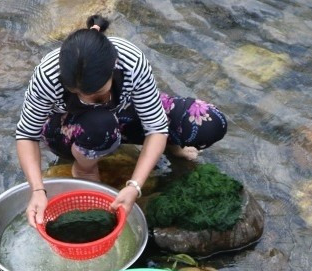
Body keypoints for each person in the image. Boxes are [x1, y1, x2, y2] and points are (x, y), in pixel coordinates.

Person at [16, 15, 228, 228]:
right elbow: (27, 134)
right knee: (100, 124)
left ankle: (169, 146)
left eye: (96, 92)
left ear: (113, 68)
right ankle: (85, 168)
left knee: (208, 121)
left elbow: (155, 125)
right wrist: (37, 190)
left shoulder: (130, 60)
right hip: (70, 130)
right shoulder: (48, 74)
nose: (85, 100)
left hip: (120, 114)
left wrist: (134, 186)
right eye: (76, 93)